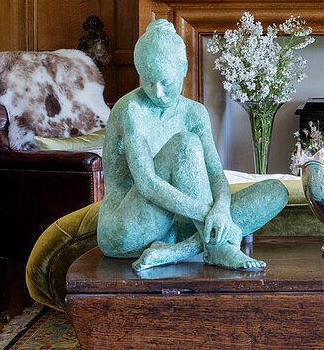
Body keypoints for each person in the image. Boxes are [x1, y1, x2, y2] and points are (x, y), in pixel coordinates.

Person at [97, 19, 288, 271]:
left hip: (178, 221)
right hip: (128, 227)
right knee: (185, 144)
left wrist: (220, 210)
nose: (158, 92)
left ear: (184, 68)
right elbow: (147, 184)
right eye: (148, 81)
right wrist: (211, 216)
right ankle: (217, 247)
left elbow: (216, 176)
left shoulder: (195, 113)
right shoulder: (130, 109)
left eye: (166, 82)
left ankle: (177, 250)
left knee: (276, 192)